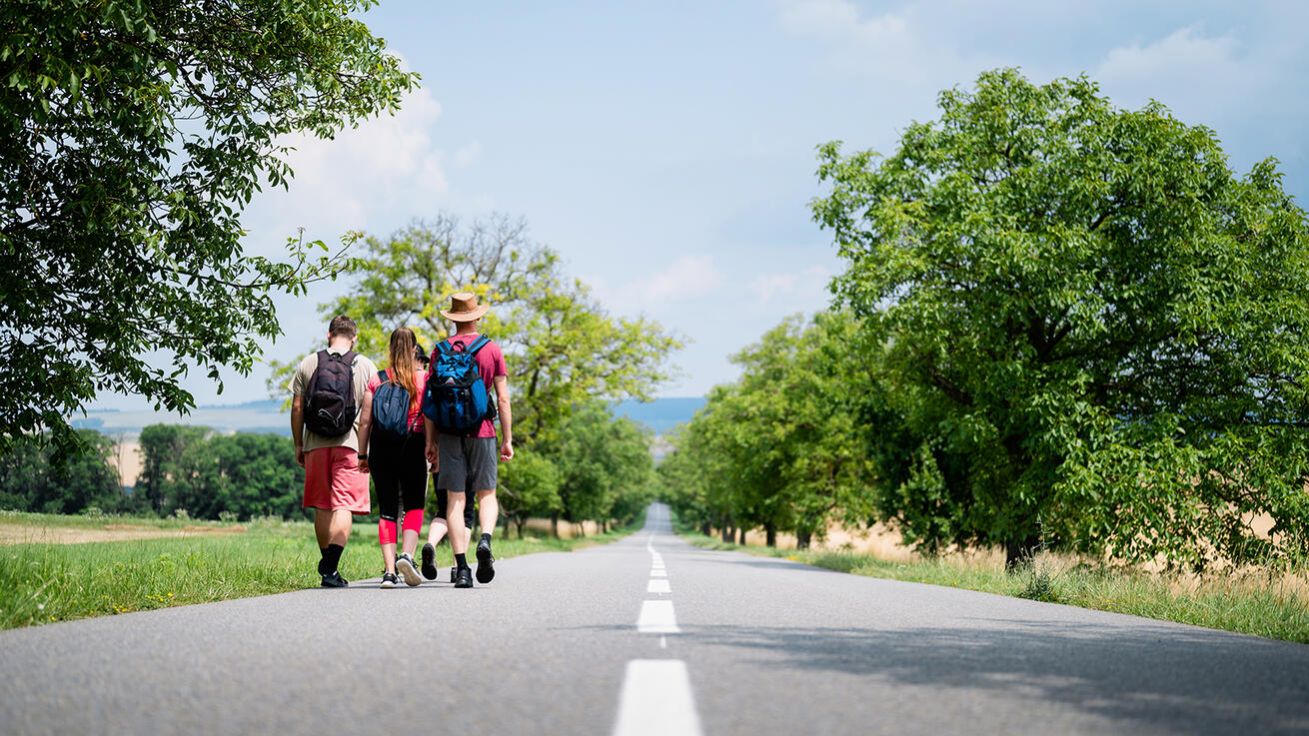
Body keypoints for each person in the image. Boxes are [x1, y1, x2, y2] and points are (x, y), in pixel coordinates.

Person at [423, 292, 513, 588]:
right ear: (476, 316)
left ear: (453, 318)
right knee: (486, 494)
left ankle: (462, 569)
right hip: (483, 431)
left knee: (454, 500)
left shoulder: (439, 350)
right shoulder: (492, 350)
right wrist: (507, 439)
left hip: (448, 433)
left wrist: (430, 442)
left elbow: (431, 402)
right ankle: (485, 541)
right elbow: (502, 398)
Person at [291, 315, 378, 588]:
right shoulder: (365, 365)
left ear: (329, 334)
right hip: (350, 445)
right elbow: (370, 414)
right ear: (354, 337)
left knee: (323, 506)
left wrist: (298, 443)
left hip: (315, 444)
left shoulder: (309, 362)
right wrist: (368, 450)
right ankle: (331, 565)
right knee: (344, 505)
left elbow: (297, 408)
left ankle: (328, 569)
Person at [367, 328, 429, 588]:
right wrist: (431, 445)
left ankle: (389, 572)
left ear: (390, 349)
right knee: (414, 505)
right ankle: (408, 555)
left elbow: (364, 421)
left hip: (381, 447)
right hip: (413, 443)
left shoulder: (377, 378)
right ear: (414, 350)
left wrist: (361, 453)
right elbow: (430, 418)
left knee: (387, 510)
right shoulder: (422, 379)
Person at [421, 476, 476, 583]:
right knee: (465, 516)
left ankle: (431, 545)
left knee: (443, 512)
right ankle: (458, 568)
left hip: (443, 465)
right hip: (468, 466)